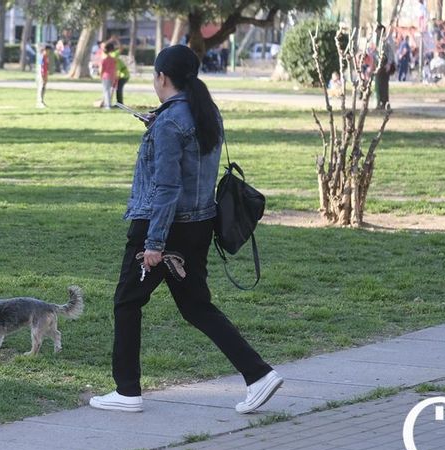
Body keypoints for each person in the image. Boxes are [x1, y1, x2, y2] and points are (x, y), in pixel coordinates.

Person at [89, 44, 282, 415]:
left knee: (127, 302)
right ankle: (259, 375)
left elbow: (166, 188)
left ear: (162, 77)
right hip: (199, 225)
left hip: (162, 226)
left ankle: (126, 390)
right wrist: (157, 125)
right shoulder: (205, 113)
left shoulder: (171, 122)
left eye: (154, 76)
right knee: (196, 307)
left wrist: (154, 243)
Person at [373, 25, 396, 110]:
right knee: (380, 84)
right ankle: (381, 102)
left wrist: (389, 64)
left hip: (385, 65)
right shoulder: (380, 40)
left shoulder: (386, 40)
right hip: (380, 64)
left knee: (383, 84)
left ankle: (385, 102)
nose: (376, 33)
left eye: (377, 31)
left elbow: (390, 53)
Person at [99, 42, 118, 109]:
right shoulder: (113, 60)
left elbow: (102, 69)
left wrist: (100, 75)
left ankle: (108, 105)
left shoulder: (104, 60)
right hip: (112, 76)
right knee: (109, 90)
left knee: (106, 91)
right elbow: (115, 68)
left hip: (105, 76)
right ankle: (106, 103)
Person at [36, 44, 52, 108]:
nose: (48, 52)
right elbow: (40, 66)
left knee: (43, 87)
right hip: (41, 74)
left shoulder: (46, 57)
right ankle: (39, 102)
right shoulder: (42, 57)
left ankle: (42, 101)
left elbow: (46, 66)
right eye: (47, 51)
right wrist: (42, 74)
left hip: (45, 74)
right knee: (41, 87)